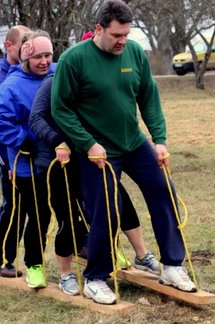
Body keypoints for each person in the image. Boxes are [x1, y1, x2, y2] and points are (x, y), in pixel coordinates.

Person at [51, 0, 197, 305]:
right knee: (108, 209)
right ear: (98, 29)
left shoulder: (133, 53)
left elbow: (149, 97)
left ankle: (171, 266)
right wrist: (88, 143)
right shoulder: (73, 60)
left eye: (127, 34)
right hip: (96, 150)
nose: (122, 41)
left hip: (134, 143)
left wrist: (159, 139)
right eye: (117, 35)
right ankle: (95, 278)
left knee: (163, 190)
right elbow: (61, 109)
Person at [28, 72, 161, 291]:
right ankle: (65, 274)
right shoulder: (55, 81)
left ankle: (139, 254)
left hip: (87, 155)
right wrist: (58, 141)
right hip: (57, 159)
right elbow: (36, 118)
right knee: (68, 216)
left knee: (116, 201)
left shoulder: (93, 79)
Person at [0, 30, 57, 289]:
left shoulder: (55, 73)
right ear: (26, 58)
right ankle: (24, 263)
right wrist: (21, 140)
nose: (44, 61)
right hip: (25, 163)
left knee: (55, 210)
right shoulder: (11, 85)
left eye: (48, 55)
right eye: (37, 57)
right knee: (33, 213)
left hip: (57, 158)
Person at [0, 25, 30, 278]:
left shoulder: (26, 74)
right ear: (9, 46)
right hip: (10, 162)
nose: (27, 48)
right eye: (23, 43)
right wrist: (7, 163)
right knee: (13, 209)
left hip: (32, 159)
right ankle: (0, 261)